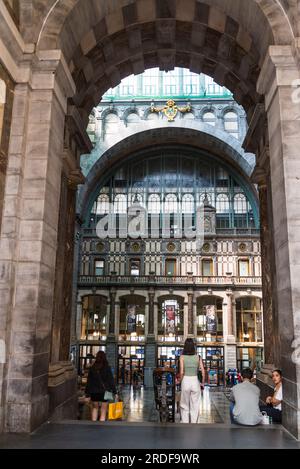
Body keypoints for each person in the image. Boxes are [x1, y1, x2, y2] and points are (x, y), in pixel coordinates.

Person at [179, 338, 205, 423]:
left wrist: (180, 381)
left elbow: (182, 371)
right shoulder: (198, 357)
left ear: (185, 346)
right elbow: (203, 372)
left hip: (186, 380)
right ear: (194, 346)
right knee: (195, 405)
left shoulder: (182, 357)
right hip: (195, 381)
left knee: (184, 404)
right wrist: (202, 383)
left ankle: (185, 422)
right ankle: (194, 423)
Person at [86, 351, 116, 422]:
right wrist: (115, 391)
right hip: (106, 391)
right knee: (103, 409)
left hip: (94, 391)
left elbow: (89, 381)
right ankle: (101, 425)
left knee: (95, 408)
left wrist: (87, 393)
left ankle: (94, 423)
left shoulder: (92, 368)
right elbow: (111, 381)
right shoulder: (107, 368)